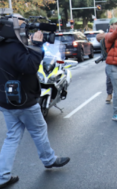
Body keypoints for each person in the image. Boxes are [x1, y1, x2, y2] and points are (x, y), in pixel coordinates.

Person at [0, 14, 70, 188]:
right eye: (22, 28)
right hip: (24, 101)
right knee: (39, 130)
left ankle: (2, 176)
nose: (25, 31)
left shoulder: (4, 47)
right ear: (11, 29)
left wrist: (30, 45)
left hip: (6, 101)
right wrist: (37, 45)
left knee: (13, 136)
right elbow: (30, 66)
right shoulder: (15, 48)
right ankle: (49, 160)